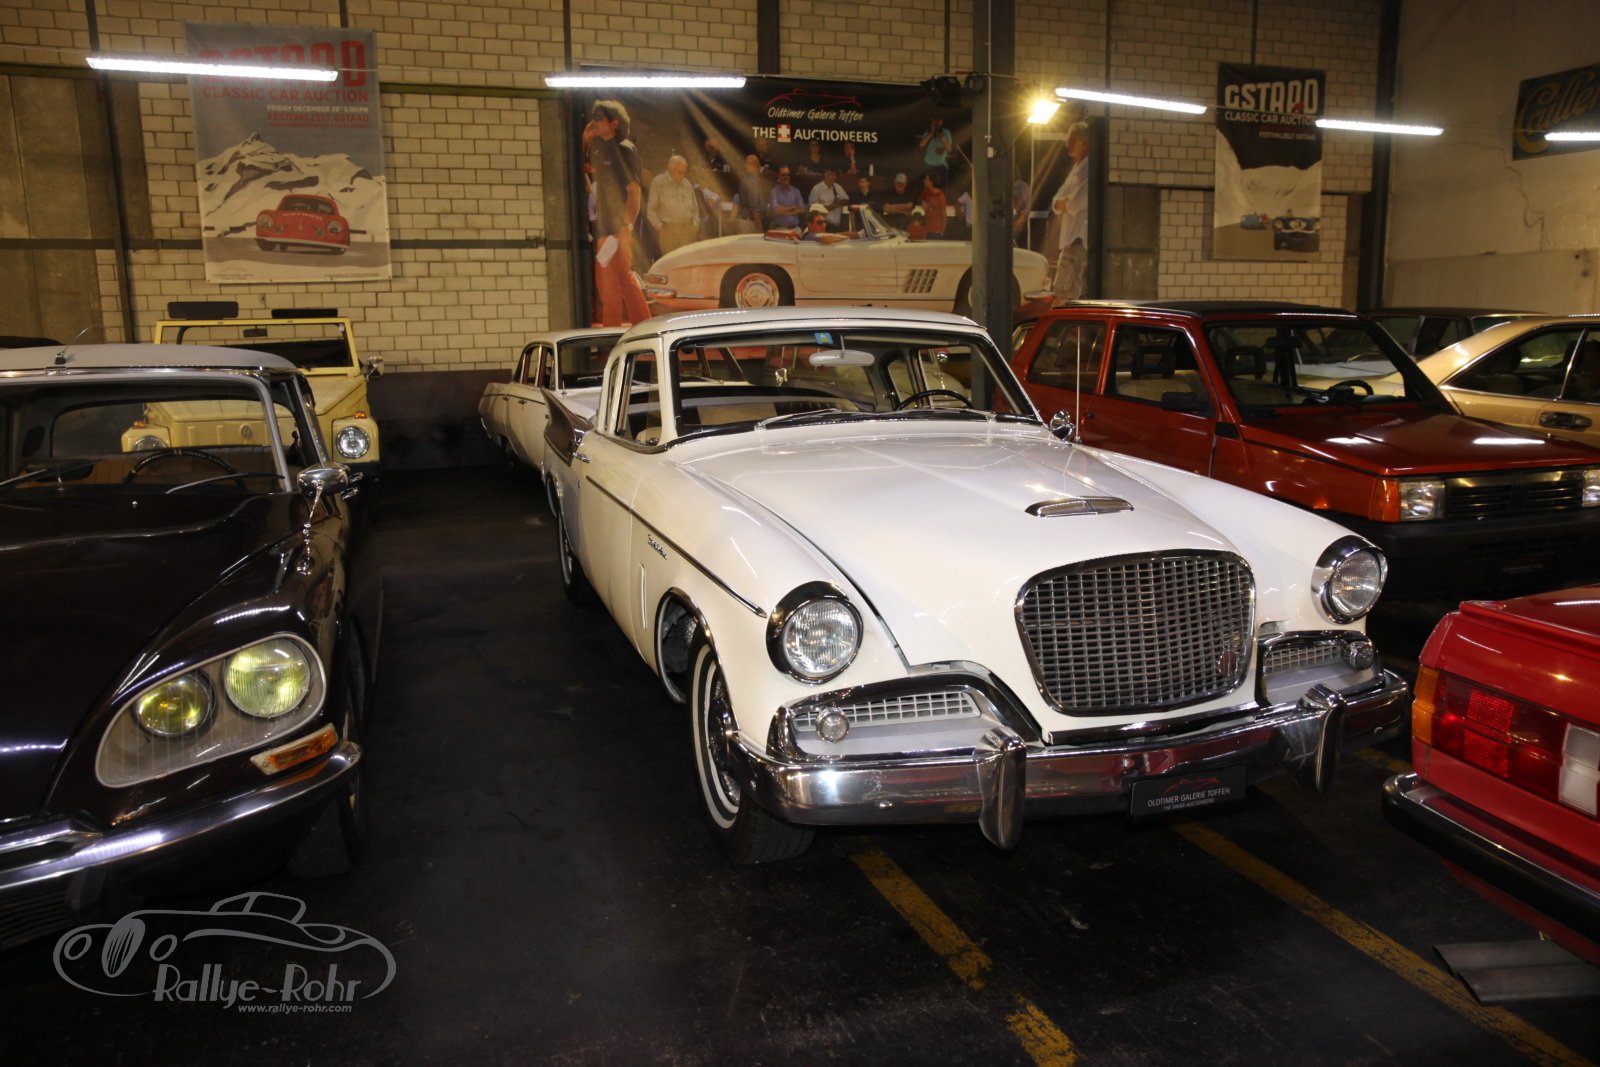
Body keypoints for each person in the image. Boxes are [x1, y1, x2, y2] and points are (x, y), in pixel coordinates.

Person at [583, 99, 649, 326]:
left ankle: (631, 327)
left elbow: (634, 190)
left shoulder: (624, 149)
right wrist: (585, 140)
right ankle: (627, 328)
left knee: (616, 278)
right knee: (612, 281)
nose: (594, 122)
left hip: (618, 227)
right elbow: (583, 170)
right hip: (605, 225)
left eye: (599, 118)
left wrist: (626, 226)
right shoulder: (601, 148)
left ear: (614, 123)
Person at [1050, 121, 1091, 304]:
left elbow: (1076, 202)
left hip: (1078, 240)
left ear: (1084, 142)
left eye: (1072, 140)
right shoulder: (1076, 168)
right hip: (1069, 239)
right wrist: (1062, 202)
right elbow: (1056, 200)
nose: (1068, 144)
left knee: (1072, 294)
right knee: (1061, 291)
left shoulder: (1089, 169)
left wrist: (1065, 202)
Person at [647, 154, 701, 255]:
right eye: (680, 172)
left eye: (684, 172)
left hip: (687, 231)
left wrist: (695, 224)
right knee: (670, 261)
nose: (683, 175)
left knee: (686, 260)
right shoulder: (658, 182)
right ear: (670, 169)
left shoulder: (687, 184)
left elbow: (695, 207)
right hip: (668, 232)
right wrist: (660, 227)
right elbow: (651, 209)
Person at [735, 153, 767, 229]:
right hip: (752, 223)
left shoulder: (744, 179)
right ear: (757, 166)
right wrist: (759, 227)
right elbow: (754, 208)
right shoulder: (752, 182)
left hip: (745, 221)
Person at [767, 166, 805, 230]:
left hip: (796, 229)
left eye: (788, 175)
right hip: (780, 228)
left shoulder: (796, 191)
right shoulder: (774, 192)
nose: (786, 177)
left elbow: (802, 209)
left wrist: (783, 211)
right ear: (779, 176)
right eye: (783, 175)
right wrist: (792, 208)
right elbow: (776, 210)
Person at [919, 117, 953, 186]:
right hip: (928, 165)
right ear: (932, 121)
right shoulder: (928, 132)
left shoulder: (946, 132)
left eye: (938, 121)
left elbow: (949, 148)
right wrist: (931, 133)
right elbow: (921, 144)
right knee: (928, 188)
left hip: (941, 165)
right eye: (935, 121)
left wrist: (942, 137)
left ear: (941, 122)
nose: (936, 123)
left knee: (942, 189)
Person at [919, 172, 948, 239]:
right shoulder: (926, 192)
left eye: (926, 179)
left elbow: (944, 215)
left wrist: (942, 232)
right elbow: (920, 199)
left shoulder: (940, 196)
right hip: (926, 229)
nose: (924, 181)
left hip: (936, 231)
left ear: (932, 182)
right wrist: (923, 203)